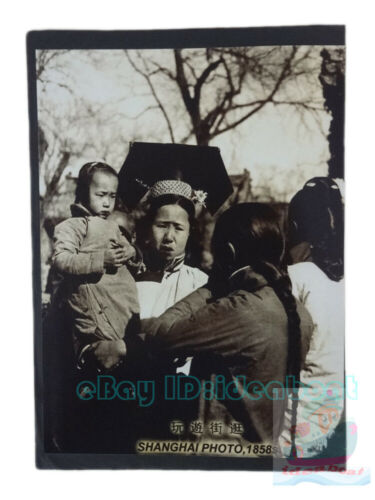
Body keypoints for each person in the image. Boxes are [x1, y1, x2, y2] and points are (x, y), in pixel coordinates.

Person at [127, 203, 314, 452]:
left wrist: (213, 285)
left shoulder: (238, 309)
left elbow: (158, 333)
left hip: (222, 451)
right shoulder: (297, 310)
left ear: (228, 252)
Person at [52, 161, 141, 371]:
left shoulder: (114, 227)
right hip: (96, 314)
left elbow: (134, 261)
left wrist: (132, 253)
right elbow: (61, 260)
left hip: (123, 307)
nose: (107, 203)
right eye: (101, 195)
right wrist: (100, 259)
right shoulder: (71, 226)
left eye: (112, 196)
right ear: (83, 192)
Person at [279, 177, 345, 458]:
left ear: (293, 227)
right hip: (340, 414)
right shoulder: (344, 279)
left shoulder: (297, 277)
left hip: (300, 421)